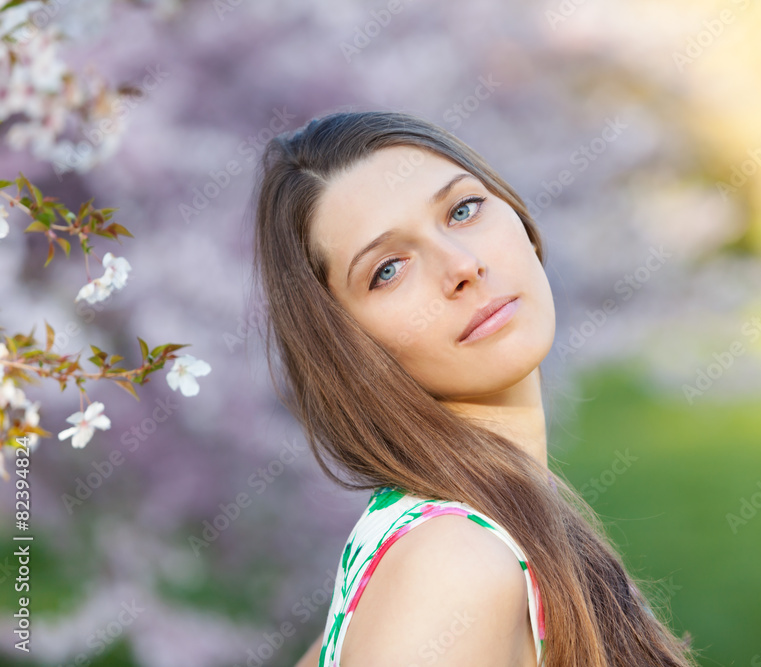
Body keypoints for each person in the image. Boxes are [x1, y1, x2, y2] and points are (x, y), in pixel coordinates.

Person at [249, 110, 698, 667]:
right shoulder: (454, 568)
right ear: (345, 348)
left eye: (462, 210)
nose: (462, 265)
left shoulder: (454, 538)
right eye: (388, 269)